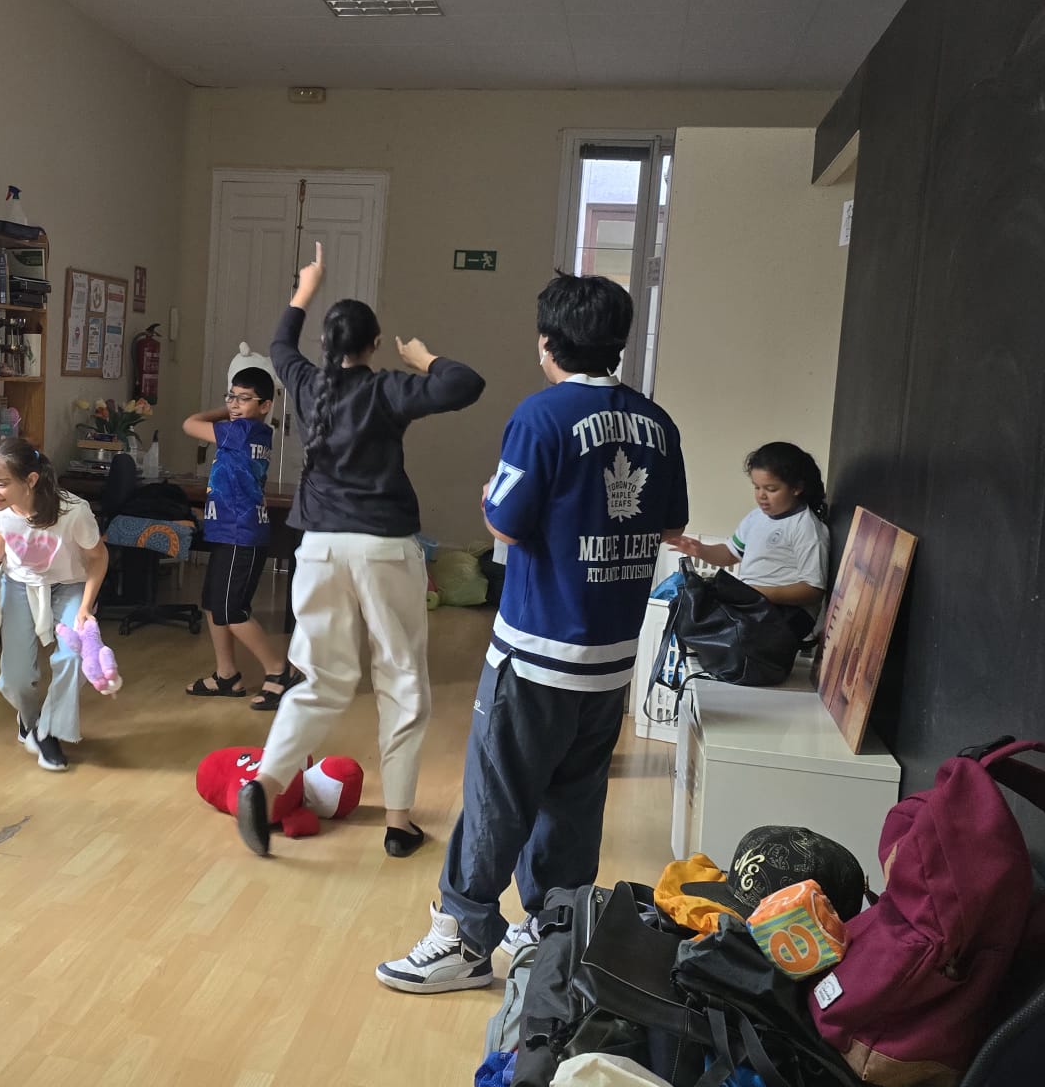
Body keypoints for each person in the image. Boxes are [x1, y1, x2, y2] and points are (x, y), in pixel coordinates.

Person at [376, 273, 687, 991]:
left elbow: (507, 524)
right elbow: (669, 523)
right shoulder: (657, 421)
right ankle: (556, 934)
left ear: (548, 342)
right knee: (574, 800)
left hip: (538, 650)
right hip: (611, 657)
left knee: (498, 795)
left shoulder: (541, 415)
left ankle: (462, 938)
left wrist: (492, 496)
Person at [234, 243, 486, 859]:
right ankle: (398, 821)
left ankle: (265, 785)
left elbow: (279, 345)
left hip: (317, 549)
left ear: (326, 342)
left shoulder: (305, 382)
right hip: (383, 550)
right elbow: (465, 384)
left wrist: (306, 286)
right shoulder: (389, 389)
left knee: (319, 679)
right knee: (401, 676)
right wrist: (423, 358)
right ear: (373, 344)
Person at [0, 438, 110, 773]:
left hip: (70, 585)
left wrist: (86, 606)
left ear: (31, 479)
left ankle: (49, 731)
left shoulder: (73, 512)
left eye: (1, 483)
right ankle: (30, 719)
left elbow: (98, 557)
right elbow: (4, 535)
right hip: (19, 584)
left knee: (73, 655)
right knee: (16, 677)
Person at [182, 366, 299, 708]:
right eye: (231, 397)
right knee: (212, 604)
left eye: (244, 399)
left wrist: (225, 411)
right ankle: (227, 676)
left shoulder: (240, 431)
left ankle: (279, 671)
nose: (234, 404)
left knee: (231, 610)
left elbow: (190, 424)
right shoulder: (259, 430)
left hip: (240, 534)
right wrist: (237, 406)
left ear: (265, 405)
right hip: (230, 531)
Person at [664, 441, 831, 642]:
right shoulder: (755, 517)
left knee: (722, 634)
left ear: (797, 488)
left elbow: (812, 591)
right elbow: (729, 553)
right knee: (689, 611)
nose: (761, 496)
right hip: (754, 605)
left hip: (787, 614)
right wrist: (700, 550)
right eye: (757, 487)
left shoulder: (807, 528)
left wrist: (758, 593)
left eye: (771, 489)